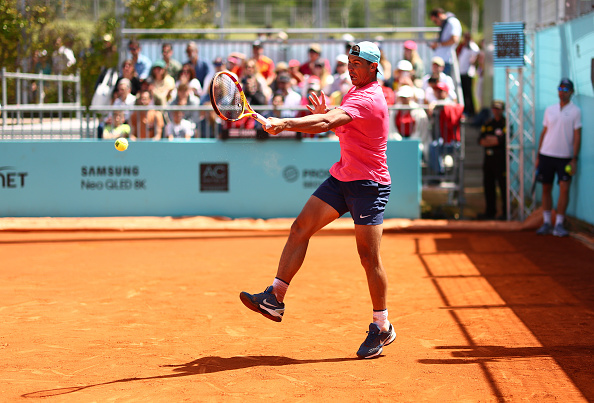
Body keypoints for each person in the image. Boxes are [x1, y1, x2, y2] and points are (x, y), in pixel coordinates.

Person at [239, 41, 396, 360]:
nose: (351, 68)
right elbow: (340, 127)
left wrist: (286, 123)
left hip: (369, 185)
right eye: (349, 62)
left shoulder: (369, 98)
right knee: (300, 228)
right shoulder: (353, 92)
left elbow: (327, 124)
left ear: (373, 68)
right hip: (343, 177)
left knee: (368, 258)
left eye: (358, 63)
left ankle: (381, 326)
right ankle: (274, 298)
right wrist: (326, 114)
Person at [535, 78, 582, 237]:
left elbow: (577, 136)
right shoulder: (550, 110)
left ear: (571, 92)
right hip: (546, 155)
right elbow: (544, 132)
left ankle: (559, 224)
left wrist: (574, 158)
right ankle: (547, 222)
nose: (562, 92)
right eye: (560, 89)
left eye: (565, 89)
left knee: (564, 188)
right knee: (546, 188)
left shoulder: (576, 111)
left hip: (565, 158)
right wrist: (538, 156)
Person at [477, 100, 507, 220]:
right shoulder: (488, 123)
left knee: (503, 186)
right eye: (494, 108)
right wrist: (493, 140)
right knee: (488, 186)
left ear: (502, 110)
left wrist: (491, 141)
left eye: (498, 109)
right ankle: (490, 212)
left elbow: (501, 141)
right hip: (488, 159)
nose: (496, 111)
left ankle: (505, 213)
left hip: (501, 160)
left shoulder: (505, 123)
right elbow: (480, 140)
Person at [429, 8, 462, 77]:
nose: (436, 24)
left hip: (446, 60)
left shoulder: (452, 22)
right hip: (441, 60)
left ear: (439, 15)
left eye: (435, 21)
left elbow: (454, 39)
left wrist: (438, 45)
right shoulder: (446, 23)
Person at [457, 32, 480, 117]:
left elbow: (477, 53)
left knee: (468, 92)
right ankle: (467, 109)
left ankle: (471, 110)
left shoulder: (472, 46)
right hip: (462, 72)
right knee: (463, 92)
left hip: (468, 73)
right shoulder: (463, 46)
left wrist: (473, 62)